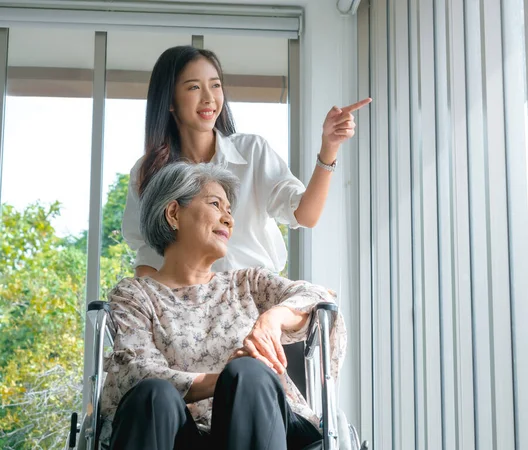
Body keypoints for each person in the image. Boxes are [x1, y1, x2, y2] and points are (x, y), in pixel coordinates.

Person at [101, 162, 347, 450]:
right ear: (173, 213)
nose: (229, 220)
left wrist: (272, 320)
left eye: (229, 211)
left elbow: (319, 298)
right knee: (154, 394)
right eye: (216, 204)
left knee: (249, 374)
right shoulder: (135, 295)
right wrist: (226, 383)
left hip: (272, 428)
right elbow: (134, 372)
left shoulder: (248, 282)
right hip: (179, 435)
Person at [121, 45, 371, 275]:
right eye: (194, 87)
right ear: (170, 101)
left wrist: (330, 147)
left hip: (254, 298)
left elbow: (305, 216)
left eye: (215, 85)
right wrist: (156, 308)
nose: (209, 98)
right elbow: (146, 252)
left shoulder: (252, 151)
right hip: (186, 308)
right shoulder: (148, 171)